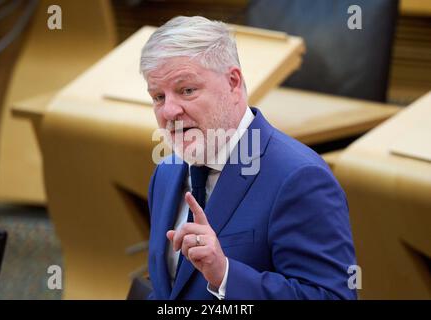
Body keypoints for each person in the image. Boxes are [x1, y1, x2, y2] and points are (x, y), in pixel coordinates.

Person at [139, 15, 357, 299]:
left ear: (232, 82)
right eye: (158, 97)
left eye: (187, 90)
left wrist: (225, 275)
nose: (168, 111)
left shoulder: (299, 177)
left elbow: (333, 296)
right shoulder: (167, 172)